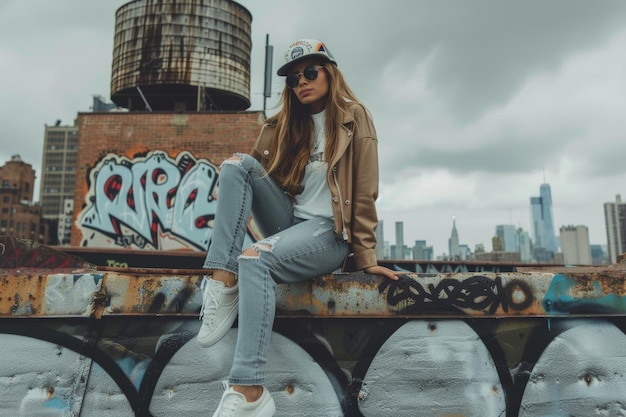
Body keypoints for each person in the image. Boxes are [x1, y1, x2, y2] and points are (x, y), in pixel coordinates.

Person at [198, 38, 398, 417]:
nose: (301, 82)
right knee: (234, 165)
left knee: (255, 260)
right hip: (289, 224)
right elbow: (249, 185)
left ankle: (249, 390)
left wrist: (365, 256)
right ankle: (222, 282)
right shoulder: (282, 125)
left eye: (310, 72)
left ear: (329, 73)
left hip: (329, 233)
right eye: (292, 78)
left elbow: (366, 189)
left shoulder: (355, 117)